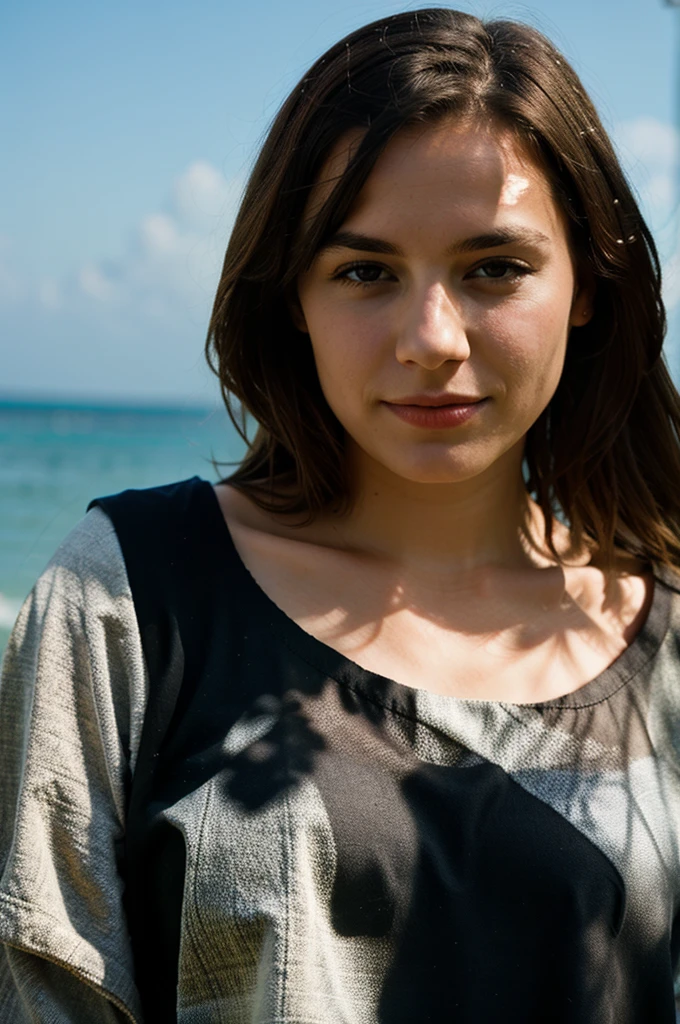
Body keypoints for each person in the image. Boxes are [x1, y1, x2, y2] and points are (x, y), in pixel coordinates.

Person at [2, 7, 680, 1022]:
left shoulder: (662, 631)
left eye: (493, 267)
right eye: (364, 271)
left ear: (585, 281)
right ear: (291, 299)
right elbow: (42, 981)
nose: (430, 336)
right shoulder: (128, 597)